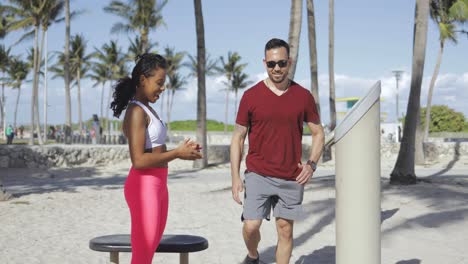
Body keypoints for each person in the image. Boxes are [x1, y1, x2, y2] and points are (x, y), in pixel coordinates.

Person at [230, 38, 325, 264]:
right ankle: (253, 256)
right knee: (251, 226)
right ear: (264, 63)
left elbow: (319, 133)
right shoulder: (251, 96)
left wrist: (311, 165)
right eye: (271, 64)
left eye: (281, 63)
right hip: (258, 173)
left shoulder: (303, 96)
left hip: (291, 177)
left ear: (289, 62)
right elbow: (238, 138)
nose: (277, 69)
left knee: (285, 230)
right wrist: (235, 177)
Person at [110, 53, 203, 264]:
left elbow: (156, 149)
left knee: (148, 251)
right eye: (159, 83)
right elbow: (139, 160)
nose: (162, 88)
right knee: (142, 256)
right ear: (143, 80)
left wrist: (184, 150)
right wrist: (177, 154)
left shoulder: (147, 109)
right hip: (143, 187)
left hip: (159, 185)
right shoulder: (135, 111)